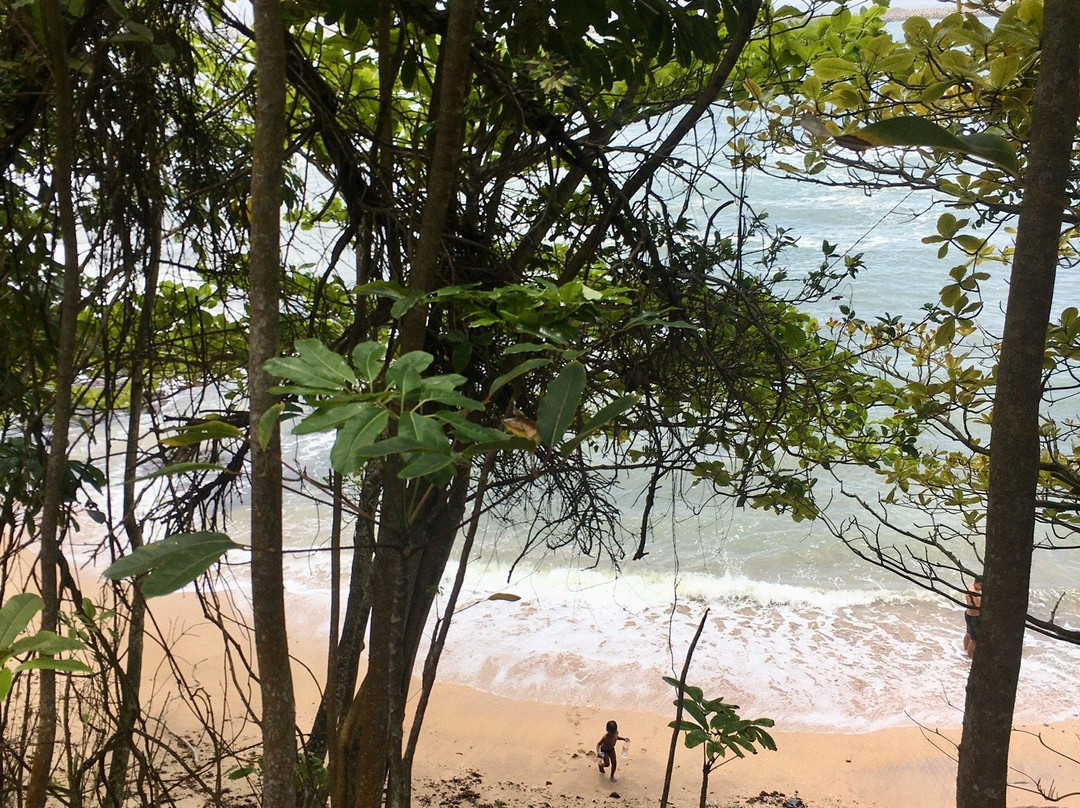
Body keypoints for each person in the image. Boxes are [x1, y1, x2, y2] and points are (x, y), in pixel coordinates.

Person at [964, 575, 983, 658]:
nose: (982, 588)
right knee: (974, 640)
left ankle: (965, 649)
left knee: (968, 633)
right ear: (976, 582)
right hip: (973, 617)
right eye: (981, 585)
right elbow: (978, 607)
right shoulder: (974, 594)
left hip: (968, 614)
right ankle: (969, 657)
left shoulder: (971, 586)